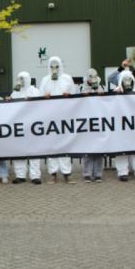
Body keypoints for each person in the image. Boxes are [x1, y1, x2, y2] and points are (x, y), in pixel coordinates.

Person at [39, 56, 77, 184]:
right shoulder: (45, 80)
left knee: (65, 144)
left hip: (64, 116)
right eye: (51, 66)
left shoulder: (67, 78)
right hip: (50, 117)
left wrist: (69, 95)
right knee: (52, 145)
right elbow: (39, 96)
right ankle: (53, 173)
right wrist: (44, 96)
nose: (54, 68)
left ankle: (67, 173)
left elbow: (75, 94)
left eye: (56, 65)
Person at [113, 70, 135, 181]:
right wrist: (115, 94)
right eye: (125, 80)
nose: (127, 82)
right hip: (121, 126)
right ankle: (122, 172)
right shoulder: (115, 93)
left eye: (129, 80)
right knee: (121, 149)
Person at [10, 71, 42, 184]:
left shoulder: (35, 91)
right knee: (19, 151)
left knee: (34, 151)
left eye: (22, 79)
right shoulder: (15, 92)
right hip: (19, 126)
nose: (20, 81)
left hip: (32, 126)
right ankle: (20, 175)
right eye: (19, 79)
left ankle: (35, 176)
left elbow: (40, 105)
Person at [80, 68, 106, 182]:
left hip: (99, 119)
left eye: (93, 76)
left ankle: (98, 173)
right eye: (90, 77)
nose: (92, 79)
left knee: (99, 148)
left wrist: (99, 91)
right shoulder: (82, 86)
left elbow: (106, 99)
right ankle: (87, 173)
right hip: (86, 120)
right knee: (87, 148)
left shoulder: (101, 85)